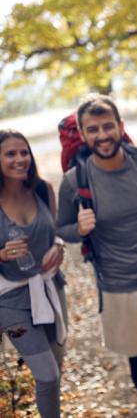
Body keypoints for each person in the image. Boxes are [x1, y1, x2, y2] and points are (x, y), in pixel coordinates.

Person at [55, 95, 137, 418]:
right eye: (93, 129)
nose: (102, 135)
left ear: (120, 127)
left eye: (108, 126)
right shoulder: (75, 181)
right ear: (83, 135)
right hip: (117, 285)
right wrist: (80, 229)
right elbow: (63, 228)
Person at [0, 130, 67, 418]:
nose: (19, 159)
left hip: (50, 288)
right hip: (10, 299)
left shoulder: (43, 190)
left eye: (23, 152)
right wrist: (1, 254)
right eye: (10, 154)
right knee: (48, 375)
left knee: (55, 371)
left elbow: (58, 232)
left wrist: (60, 246)